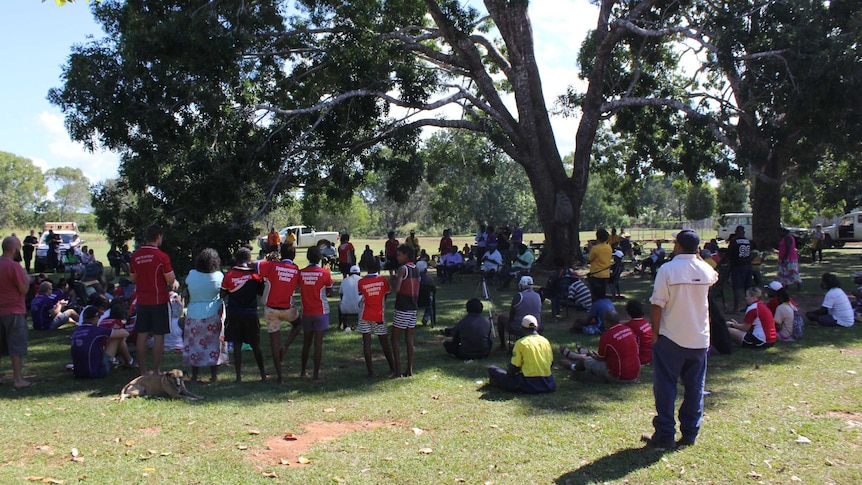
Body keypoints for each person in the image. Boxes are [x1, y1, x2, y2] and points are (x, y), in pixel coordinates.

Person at [643, 229, 718, 450]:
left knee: (666, 387)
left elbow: (657, 304)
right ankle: (690, 432)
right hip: (699, 337)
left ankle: (665, 433)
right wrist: (697, 257)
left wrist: (655, 332)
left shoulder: (667, 270)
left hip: (671, 336)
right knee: (695, 387)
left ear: (677, 245)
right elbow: (713, 277)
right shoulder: (706, 269)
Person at [130, 224, 178, 376]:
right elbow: (170, 278)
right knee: (159, 335)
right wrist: (174, 283)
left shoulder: (136, 255)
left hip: (142, 299)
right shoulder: (161, 256)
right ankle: (156, 370)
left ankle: (143, 370)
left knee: (142, 334)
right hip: (159, 300)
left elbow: (133, 278)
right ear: (158, 237)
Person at [256, 244, 302, 383]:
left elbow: (255, 266)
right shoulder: (296, 270)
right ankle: (286, 345)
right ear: (294, 256)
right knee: (299, 323)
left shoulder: (272, 266)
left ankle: (280, 377)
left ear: (281, 254)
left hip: (271, 309)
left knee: (274, 342)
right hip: (287, 308)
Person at [221, 247, 267, 383]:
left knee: (236, 344)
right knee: (255, 345)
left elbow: (222, 294)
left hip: (234, 313)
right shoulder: (255, 275)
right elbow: (262, 291)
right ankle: (263, 375)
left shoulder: (229, 274)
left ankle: (238, 377)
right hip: (251, 313)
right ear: (248, 259)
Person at [183, 248, 228, 383]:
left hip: (194, 312)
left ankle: (195, 375)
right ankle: (213, 375)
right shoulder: (218, 276)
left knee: (194, 345)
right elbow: (223, 293)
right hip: (213, 313)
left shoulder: (192, 275)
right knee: (213, 345)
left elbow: (187, 290)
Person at [559, 309, 640, 383]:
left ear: (607, 322)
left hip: (619, 376)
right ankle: (580, 355)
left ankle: (572, 367)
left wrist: (593, 356)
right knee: (593, 357)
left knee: (586, 360)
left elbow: (600, 358)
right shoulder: (628, 329)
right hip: (634, 374)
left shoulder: (607, 336)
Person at [487, 315, 555, 393]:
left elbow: (513, 369)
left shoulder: (521, 343)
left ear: (522, 328)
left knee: (492, 369)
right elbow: (551, 364)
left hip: (528, 384)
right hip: (548, 383)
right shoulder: (545, 341)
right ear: (536, 327)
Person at [0, 236, 33, 389]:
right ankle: (18, 379)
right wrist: (27, 279)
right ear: (14, 249)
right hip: (13, 310)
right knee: (16, 346)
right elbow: (23, 289)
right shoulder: (14, 267)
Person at [298, 246, 333, 382]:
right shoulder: (324, 273)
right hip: (321, 312)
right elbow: (330, 292)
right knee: (318, 344)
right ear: (320, 257)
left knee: (306, 343)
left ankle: (302, 372)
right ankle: (316, 376)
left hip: (306, 312)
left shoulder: (301, 273)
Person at [356, 258, 395, 377]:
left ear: (366, 267)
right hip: (379, 315)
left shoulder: (361, 282)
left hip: (365, 314)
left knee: (366, 343)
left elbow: (361, 296)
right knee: (384, 343)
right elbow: (386, 295)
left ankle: (370, 372)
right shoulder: (383, 280)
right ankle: (392, 368)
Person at [70, 305, 132, 378]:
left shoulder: (76, 331)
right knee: (117, 338)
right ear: (95, 318)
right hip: (96, 372)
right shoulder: (97, 330)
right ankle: (130, 362)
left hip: (78, 373)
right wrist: (117, 330)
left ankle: (124, 361)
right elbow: (125, 333)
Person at [390, 244, 419, 377]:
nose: (397, 257)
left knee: (395, 338)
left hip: (402, 307)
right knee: (409, 337)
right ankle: (410, 369)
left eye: (399, 254)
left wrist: (393, 281)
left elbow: (397, 289)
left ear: (406, 255)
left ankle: (397, 371)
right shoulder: (416, 268)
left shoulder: (402, 269)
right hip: (413, 306)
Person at [495, 276, 543, 350]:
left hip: (520, 327)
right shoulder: (538, 296)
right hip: (536, 327)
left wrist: (508, 321)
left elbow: (512, 315)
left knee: (501, 318)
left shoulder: (518, 296)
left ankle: (502, 345)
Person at [727, 225, 754, 312]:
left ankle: (735, 308)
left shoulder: (734, 241)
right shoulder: (748, 241)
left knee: (737, 287)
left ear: (736, 232)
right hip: (748, 265)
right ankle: (748, 306)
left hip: (737, 266)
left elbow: (728, 254)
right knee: (747, 287)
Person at [623, 299, 652, 365]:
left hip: (640, 359)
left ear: (629, 312)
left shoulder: (629, 326)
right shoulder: (645, 322)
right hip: (649, 356)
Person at [588, 228, 612, 294]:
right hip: (606, 273)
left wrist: (590, 248)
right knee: (603, 293)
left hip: (596, 274)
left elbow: (590, 259)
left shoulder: (595, 248)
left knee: (595, 293)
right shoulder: (609, 247)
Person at [339, 265, 362, 330]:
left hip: (345, 309)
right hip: (361, 309)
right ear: (359, 273)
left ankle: (341, 324)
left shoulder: (345, 280)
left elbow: (341, 295)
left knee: (340, 303)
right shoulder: (362, 280)